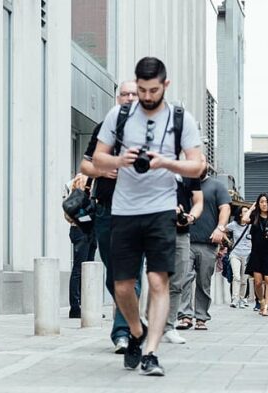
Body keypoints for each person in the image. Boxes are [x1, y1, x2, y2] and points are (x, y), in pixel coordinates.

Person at [92, 57, 205, 376]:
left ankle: (151, 352)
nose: (146, 96)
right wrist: (120, 160)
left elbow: (198, 166)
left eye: (153, 90)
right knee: (123, 286)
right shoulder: (120, 114)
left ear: (165, 85)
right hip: (125, 210)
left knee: (158, 281)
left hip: (160, 210)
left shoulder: (181, 119)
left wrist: (166, 163)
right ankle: (136, 332)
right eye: (141, 89)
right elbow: (97, 159)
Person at [80, 81, 139, 352]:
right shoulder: (104, 129)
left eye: (133, 94)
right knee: (114, 274)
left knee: (131, 274)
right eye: (124, 94)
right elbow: (84, 165)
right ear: (118, 98)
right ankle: (129, 319)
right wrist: (102, 172)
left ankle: (123, 332)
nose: (128, 98)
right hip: (105, 209)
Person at [178, 166, 232, 330]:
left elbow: (225, 208)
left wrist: (220, 228)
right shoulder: (183, 185)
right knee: (184, 279)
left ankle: (201, 317)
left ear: (207, 167)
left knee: (204, 281)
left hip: (208, 242)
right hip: (185, 239)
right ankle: (185, 316)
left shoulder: (216, 186)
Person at [162, 175, 203, 344]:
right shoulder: (154, 162)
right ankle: (151, 325)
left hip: (181, 233)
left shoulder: (189, 170)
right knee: (157, 279)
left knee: (177, 282)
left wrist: (190, 217)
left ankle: (169, 327)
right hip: (156, 230)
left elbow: (199, 201)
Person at [65, 173, 97, 319]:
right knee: (81, 269)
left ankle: (83, 307)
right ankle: (76, 307)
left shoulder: (70, 183)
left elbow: (67, 213)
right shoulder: (89, 183)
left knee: (86, 269)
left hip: (80, 229)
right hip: (83, 230)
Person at [246, 193, 268, 316]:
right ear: (258, 203)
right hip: (256, 252)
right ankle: (261, 301)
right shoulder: (254, 216)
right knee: (257, 281)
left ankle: (266, 306)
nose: (264, 204)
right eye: (261, 202)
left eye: (266, 202)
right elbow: (244, 219)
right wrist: (251, 208)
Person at [227, 206, 252, 309]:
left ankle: (242, 299)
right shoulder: (233, 225)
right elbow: (222, 229)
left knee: (244, 279)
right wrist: (228, 241)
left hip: (247, 255)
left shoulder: (251, 226)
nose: (248, 213)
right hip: (235, 254)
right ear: (241, 214)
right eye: (245, 211)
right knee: (236, 276)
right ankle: (234, 299)